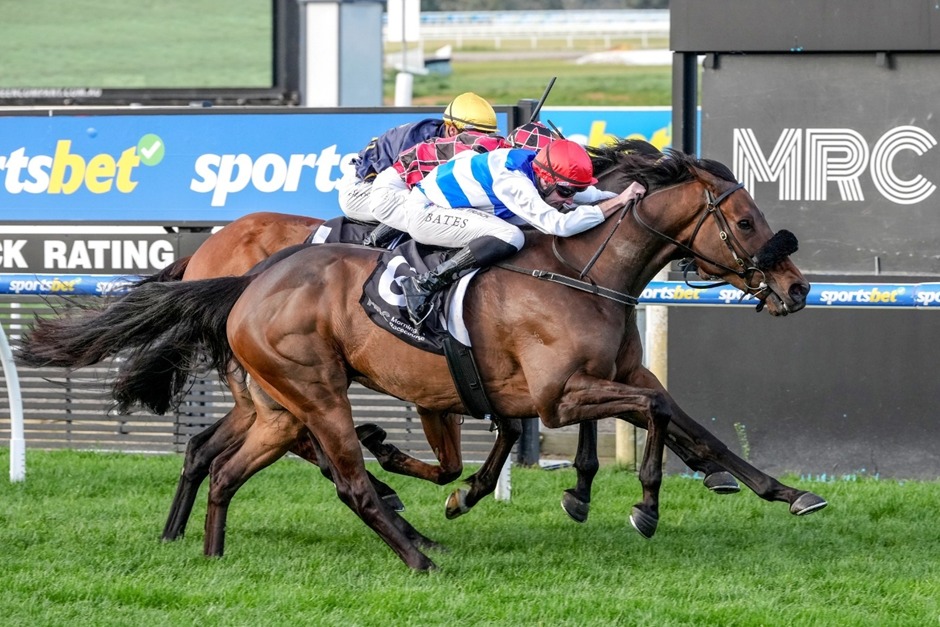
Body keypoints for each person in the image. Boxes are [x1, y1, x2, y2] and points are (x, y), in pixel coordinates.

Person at [393, 139, 645, 325]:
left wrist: (627, 197)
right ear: (545, 179)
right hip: (426, 212)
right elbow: (559, 225)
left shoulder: (539, 167)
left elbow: (588, 194)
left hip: (453, 203)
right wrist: (617, 202)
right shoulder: (514, 181)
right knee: (512, 236)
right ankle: (424, 284)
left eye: (572, 192)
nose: (569, 200)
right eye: (566, 193)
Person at [363, 120, 557, 248]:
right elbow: (428, 186)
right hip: (395, 188)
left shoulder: (503, 155)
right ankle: (371, 246)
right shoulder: (485, 155)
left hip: (408, 180)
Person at [339, 92, 499, 228]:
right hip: (360, 188)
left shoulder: (453, 139)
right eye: (474, 133)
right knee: (430, 207)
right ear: (451, 129)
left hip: (386, 187)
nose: (480, 139)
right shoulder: (419, 140)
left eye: (487, 134)